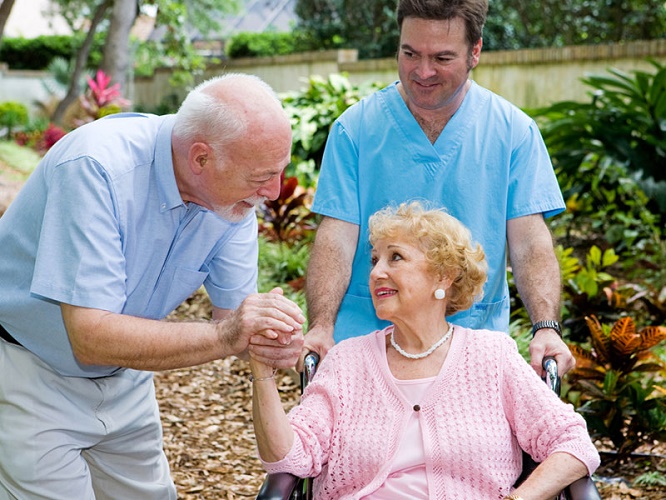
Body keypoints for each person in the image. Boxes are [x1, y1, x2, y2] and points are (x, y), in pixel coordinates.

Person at [0, 73, 306, 499]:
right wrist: (228, 334)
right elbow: (90, 337)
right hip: (29, 371)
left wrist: (276, 340)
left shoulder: (233, 203)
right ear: (201, 158)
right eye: (262, 176)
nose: (273, 192)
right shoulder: (97, 166)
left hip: (126, 377)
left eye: (281, 172)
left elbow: (239, 321)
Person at [251, 201, 599, 499]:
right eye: (374, 260)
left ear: (444, 277)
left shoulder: (492, 358)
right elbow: (289, 458)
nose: (376, 273)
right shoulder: (347, 362)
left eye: (396, 258)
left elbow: (573, 443)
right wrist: (262, 372)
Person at [303, 0, 574, 377]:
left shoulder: (514, 132)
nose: (422, 71)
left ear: (475, 51)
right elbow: (336, 236)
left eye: (442, 58)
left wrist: (546, 327)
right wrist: (320, 326)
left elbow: (529, 241)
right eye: (409, 53)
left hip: (472, 349)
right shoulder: (355, 129)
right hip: (366, 348)